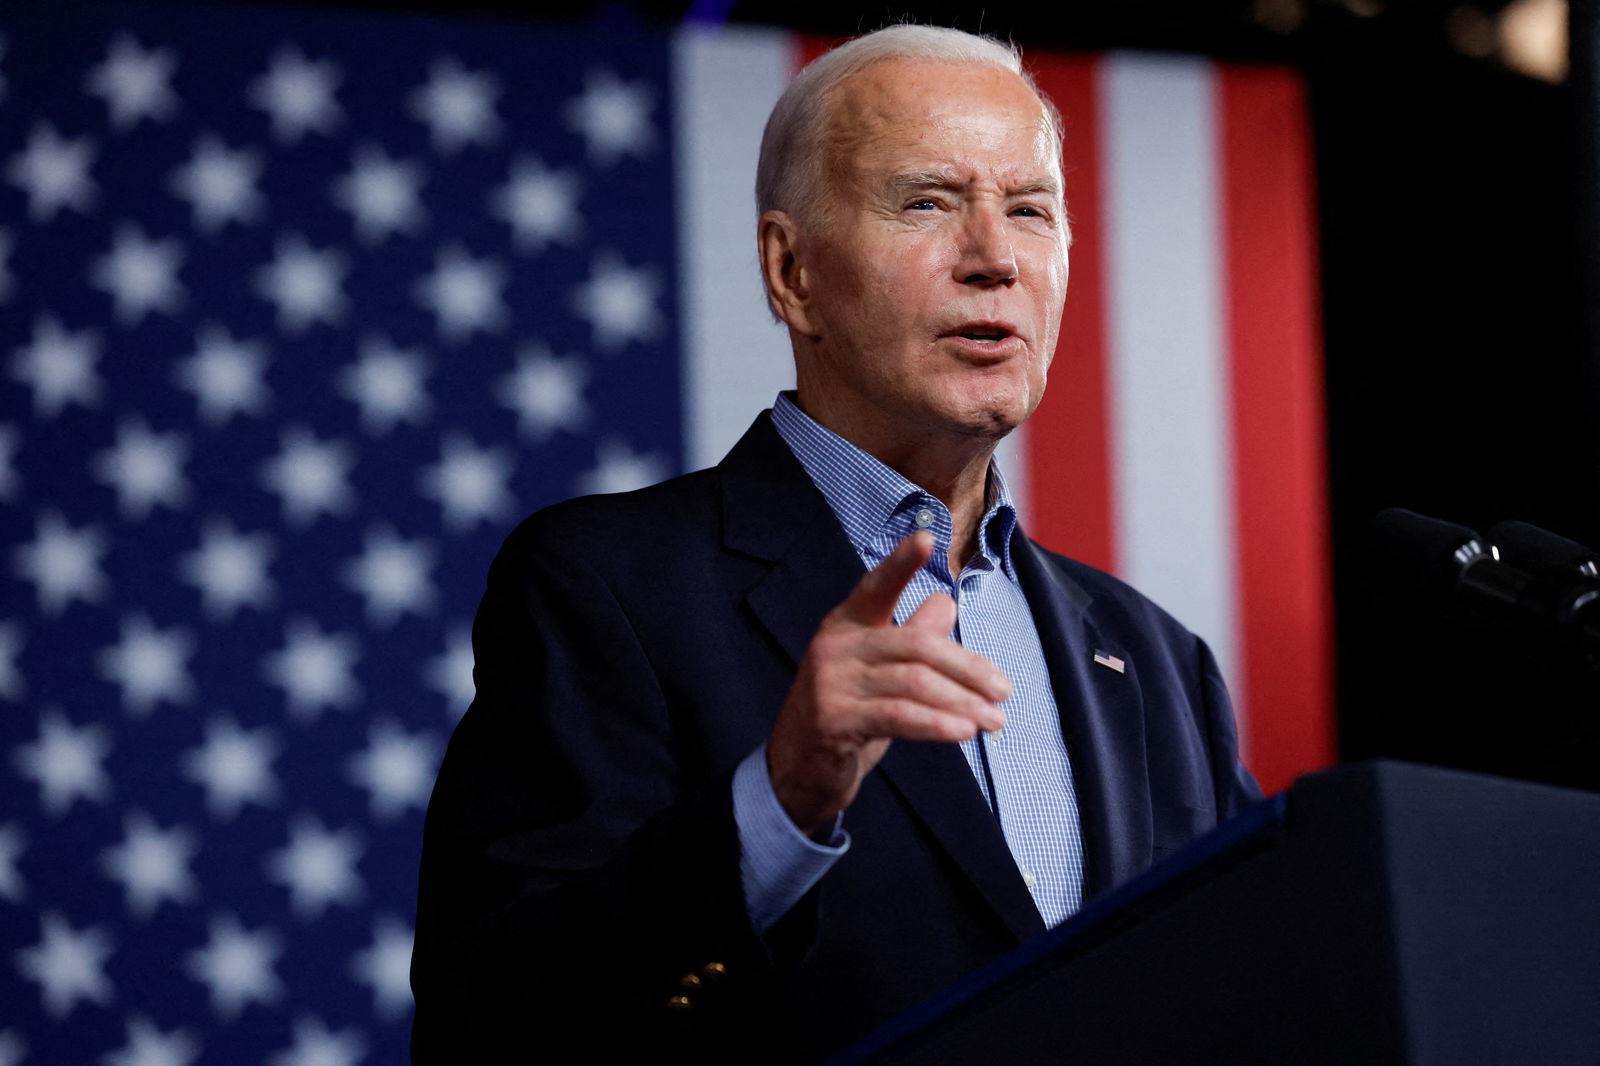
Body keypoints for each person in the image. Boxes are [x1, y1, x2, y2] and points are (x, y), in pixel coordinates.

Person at [411, 24, 1260, 1064]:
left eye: (1029, 211)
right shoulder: (609, 586)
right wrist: (778, 803)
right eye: (927, 202)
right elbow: (491, 1017)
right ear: (791, 271)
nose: (994, 258)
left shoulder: (1158, 660)